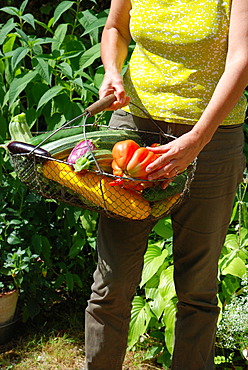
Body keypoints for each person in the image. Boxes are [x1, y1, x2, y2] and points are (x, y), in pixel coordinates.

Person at [84, 0, 248, 369]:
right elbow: (115, 29)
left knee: (197, 290)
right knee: (109, 285)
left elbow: (242, 59)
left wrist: (197, 139)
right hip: (133, 137)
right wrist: (112, 70)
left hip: (212, 140)